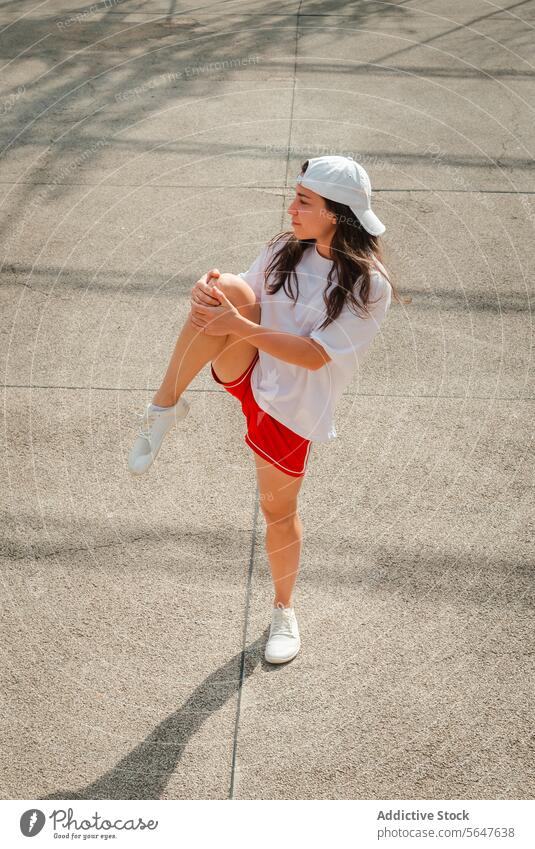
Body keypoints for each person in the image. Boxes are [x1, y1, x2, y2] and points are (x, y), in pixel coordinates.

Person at [127, 155, 406, 665]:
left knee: (277, 511)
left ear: (337, 213)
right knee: (225, 288)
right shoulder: (284, 249)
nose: (291, 207)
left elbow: (314, 355)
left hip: (292, 406)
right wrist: (208, 295)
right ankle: (162, 407)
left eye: (304, 200)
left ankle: (284, 610)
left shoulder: (370, 284)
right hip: (250, 368)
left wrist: (235, 324)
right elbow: (241, 299)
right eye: (295, 196)